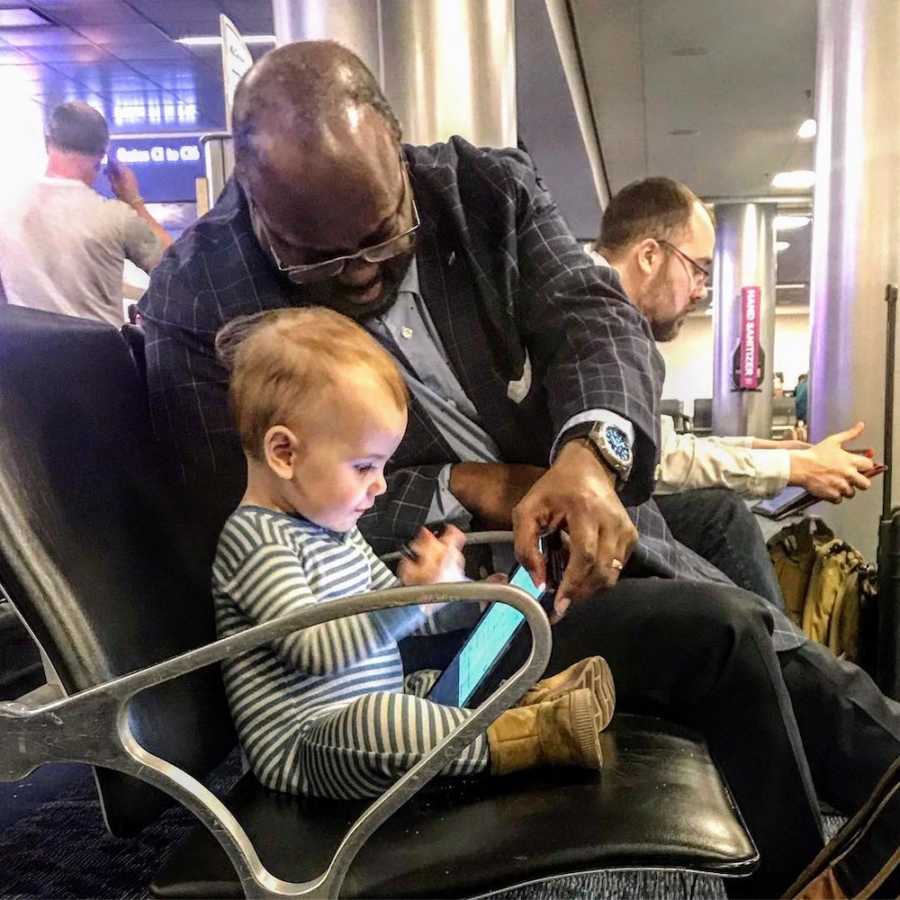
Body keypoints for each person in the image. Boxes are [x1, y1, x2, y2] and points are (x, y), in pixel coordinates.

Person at [138, 41, 894, 896]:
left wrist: (588, 457)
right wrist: (465, 488)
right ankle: (821, 853)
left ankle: (797, 752)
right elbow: (232, 500)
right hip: (462, 628)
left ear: (400, 151)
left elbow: (596, 317)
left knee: (714, 521)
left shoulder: (477, 187)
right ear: (254, 204)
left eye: (383, 233)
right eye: (317, 259)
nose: (360, 271)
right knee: (719, 630)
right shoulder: (198, 298)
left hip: (519, 554)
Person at [212, 305, 612, 798]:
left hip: (372, 708)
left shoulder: (335, 529)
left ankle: (529, 706)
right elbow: (312, 650)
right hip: (310, 750)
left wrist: (464, 597)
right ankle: (524, 735)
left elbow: (401, 617)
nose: (380, 486)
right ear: (284, 454)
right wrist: (417, 597)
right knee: (382, 722)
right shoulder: (255, 540)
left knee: (425, 690)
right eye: (363, 467)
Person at [588, 178, 876, 608]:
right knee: (721, 518)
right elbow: (652, 463)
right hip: (580, 537)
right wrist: (792, 467)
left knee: (718, 520)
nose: (702, 291)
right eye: (699, 269)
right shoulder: (598, 318)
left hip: (598, 520)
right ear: (649, 255)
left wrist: (767, 448)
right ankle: (794, 667)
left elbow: (654, 445)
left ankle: (788, 663)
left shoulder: (609, 319)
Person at [0, 101, 172, 327]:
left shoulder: (7, 209)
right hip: (99, 357)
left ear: (48, 143)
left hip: (26, 358)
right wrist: (134, 201)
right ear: (102, 156)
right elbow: (178, 268)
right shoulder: (115, 217)